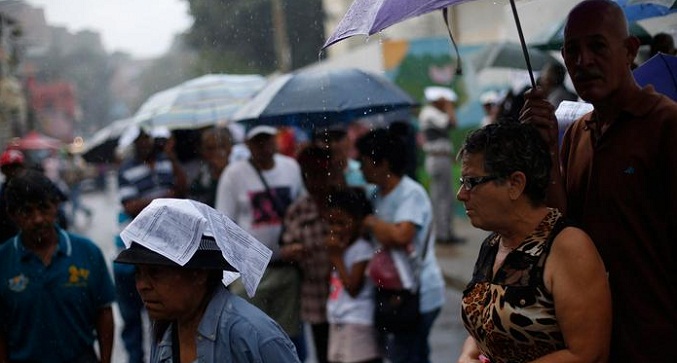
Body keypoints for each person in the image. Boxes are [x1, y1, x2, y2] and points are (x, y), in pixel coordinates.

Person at [520, 1, 677, 361]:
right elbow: (564, 228)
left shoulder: (665, 126)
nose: (584, 61)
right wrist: (544, 150)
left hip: (656, 341)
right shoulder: (576, 134)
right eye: (572, 51)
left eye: (598, 46)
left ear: (629, 51)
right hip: (590, 342)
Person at [455, 122, 611, 363]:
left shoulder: (567, 247)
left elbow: (587, 353)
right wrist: (468, 355)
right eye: (461, 182)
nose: (461, 194)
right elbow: (484, 324)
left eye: (471, 182)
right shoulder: (493, 243)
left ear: (515, 184)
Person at [114, 198, 300, 363]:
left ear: (199, 274)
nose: (141, 286)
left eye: (155, 273)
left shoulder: (254, 336)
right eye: (139, 273)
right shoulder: (166, 335)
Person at [0, 169, 116, 363]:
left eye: (44, 208)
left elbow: (104, 313)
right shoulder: (4, 259)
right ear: (13, 214)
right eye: (27, 211)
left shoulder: (87, 252)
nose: (37, 219)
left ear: (56, 206)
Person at [215, 125, 306, 359]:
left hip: (287, 270)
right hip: (250, 275)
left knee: (287, 339)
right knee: (250, 339)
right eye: (257, 141)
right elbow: (224, 227)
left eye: (267, 139)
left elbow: (301, 210)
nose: (263, 146)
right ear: (248, 144)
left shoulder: (291, 168)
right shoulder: (234, 175)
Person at [356, 129, 445, 363]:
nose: (360, 168)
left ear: (382, 163)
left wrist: (370, 222)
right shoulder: (376, 194)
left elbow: (401, 234)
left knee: (406, 354)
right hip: (395, 292)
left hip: (419, 293)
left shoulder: (410, 193)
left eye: (363, 162)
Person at [115, 126, 184, 363]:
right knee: (133, 317)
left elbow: (182, 189)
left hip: (165, 249)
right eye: (140, 141)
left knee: (162, 316)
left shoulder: (166, 162)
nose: (145, 144)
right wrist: (162, 201)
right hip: (138, 247)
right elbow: (129, 205)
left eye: (148, 139)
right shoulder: (127, 169)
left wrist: (172, 157)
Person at [279, 145, 346, 363]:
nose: (315, 182)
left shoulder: (345, 202)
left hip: (348, 294)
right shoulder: (298, 209)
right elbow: (287, 247)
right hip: (316, 295)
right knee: (324, 352)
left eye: (320, 175)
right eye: (309, 176)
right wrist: (294, 251)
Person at [324, 188, 381, 363]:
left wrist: (336, 257)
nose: (335, 229)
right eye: (332, 223)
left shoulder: (362, 250)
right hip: (339, 319)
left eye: (341, 223)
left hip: (357, 321)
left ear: (357, 222)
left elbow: (353, 288)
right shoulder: (343, 248)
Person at [418, 86, 463, 244]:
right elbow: (452, 122)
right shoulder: (430, 112)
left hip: (441, 159)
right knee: (441, 197)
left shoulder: (433, 112)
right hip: (437, 159)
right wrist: (449, 106)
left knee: (445, 196)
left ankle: (446, 232)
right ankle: (442, 235)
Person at [188, 126, 233, 207]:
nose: (217, 152)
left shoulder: (239, 173)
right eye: (210, 148)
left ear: (230, 148)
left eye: (221, 146)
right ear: (203, 151)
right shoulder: (200, 177)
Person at [0, 149, 26, 243]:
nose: (12, 171)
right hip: (7, 238)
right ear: (3, 170)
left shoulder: (29, 188)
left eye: (15, 167)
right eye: (8, 167)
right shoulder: (2, 191)